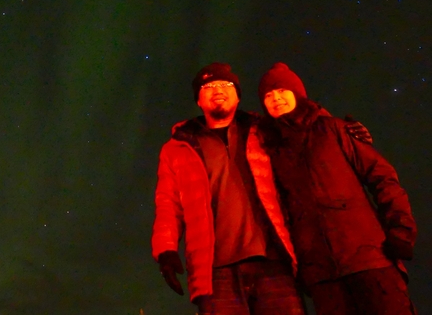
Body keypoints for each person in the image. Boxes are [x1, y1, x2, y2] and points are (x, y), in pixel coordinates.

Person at [257, 62, 417, 315]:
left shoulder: (333, 129)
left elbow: (382, 176)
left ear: (297, 94)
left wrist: (401, 231)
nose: (276, 98)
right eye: (268, 95)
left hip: (369, 259)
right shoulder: (271, 149)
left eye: (281, 91)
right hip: (322, 275)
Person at [151, 62, 306, 314]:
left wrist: (344, 132)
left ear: (237, 95)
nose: (218, 90)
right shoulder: (178, 147)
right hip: (214, 271)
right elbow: (168, 203)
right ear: (198, 100)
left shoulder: (264, 131)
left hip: (274, 263)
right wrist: (165, 250)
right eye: (208, 86)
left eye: (225, 84)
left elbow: (306, 138)